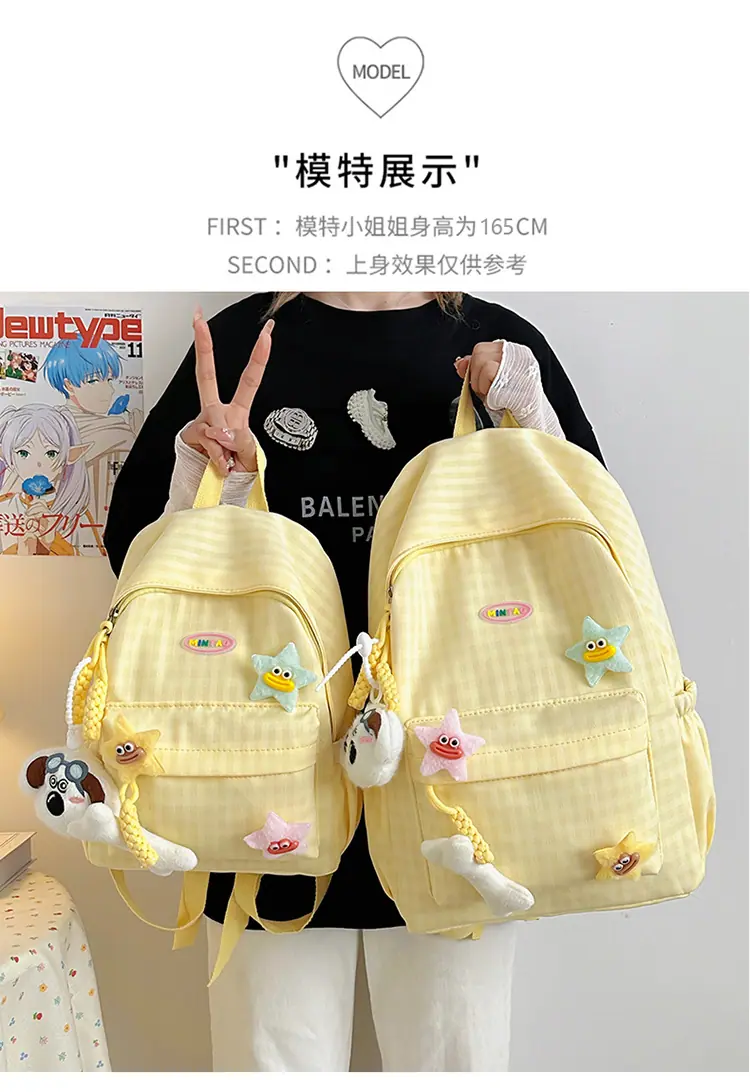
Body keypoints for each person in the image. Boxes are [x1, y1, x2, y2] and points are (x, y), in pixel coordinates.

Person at [104, 291, 603, 1073]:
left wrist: (530, 414)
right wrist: (209, 481)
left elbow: (587, 560)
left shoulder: (497, 344)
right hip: (262, 793)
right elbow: (144, 583)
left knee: (457, 1067)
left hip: (459, 797)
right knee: (269, 1067)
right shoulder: (241, 342)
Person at [42, 335, 142, 524]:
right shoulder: (46, 428)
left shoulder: (120, 428)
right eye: (93, 380)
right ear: (68, 385)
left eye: (109, 380)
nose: (109, 390)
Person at [0, 402, 102, 555]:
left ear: (68, 458)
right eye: (23, 453)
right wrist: (21, 550)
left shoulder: (76, 514)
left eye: (51, 453)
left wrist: (53, 541)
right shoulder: (4, 508)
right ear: (9, 459)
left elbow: (96, 564)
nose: (38, 464)